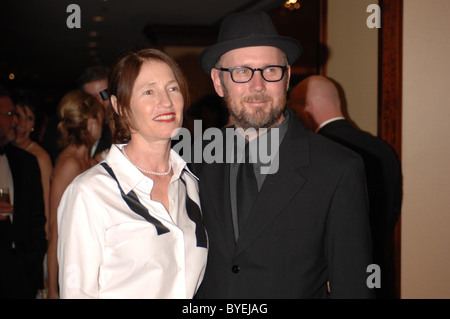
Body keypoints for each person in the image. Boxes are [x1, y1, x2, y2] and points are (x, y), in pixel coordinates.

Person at [191, 11, 373, 298]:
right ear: (218, 82)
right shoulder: (191, 161)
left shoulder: (338, 168)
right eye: (241, 71)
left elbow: (353, 285)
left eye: (270, 70)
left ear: (286, 77)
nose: (257, 85)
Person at [57, 48, 207, 298]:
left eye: (173, 88)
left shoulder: (190, 184)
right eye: (149, 91)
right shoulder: (90, 193)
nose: (166, 102)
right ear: (120, 106)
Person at [289, 75, 403, 298]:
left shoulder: (316, 156)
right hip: (380, 272)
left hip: (336, 281)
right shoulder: (383, 150)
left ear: (307, 107)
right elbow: (391, 215)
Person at [47, 90, 104, 299]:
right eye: (99, 117)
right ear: (90, 122)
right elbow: (55, 230)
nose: (102, 123)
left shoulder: (90, 161)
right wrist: (53, 290)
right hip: (73, 263)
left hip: (92, 257)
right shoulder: (69, 164)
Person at [0, 85, 47, 298]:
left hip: (20, 273)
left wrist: (34, 268)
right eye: (11, 115)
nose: (16, 122)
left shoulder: (28, 161)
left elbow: (39, 219)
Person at [12, 89, 53, 237]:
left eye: (29, 118)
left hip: (31, 239)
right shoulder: (6, 151)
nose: (22, 124)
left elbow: (47, 208)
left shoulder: (40, 157)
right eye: (18, 116)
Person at [78, 66, 113, 158]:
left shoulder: (124, 125)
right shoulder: (79, 128)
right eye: (93, 97)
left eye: (104, 94)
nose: (100, 101)